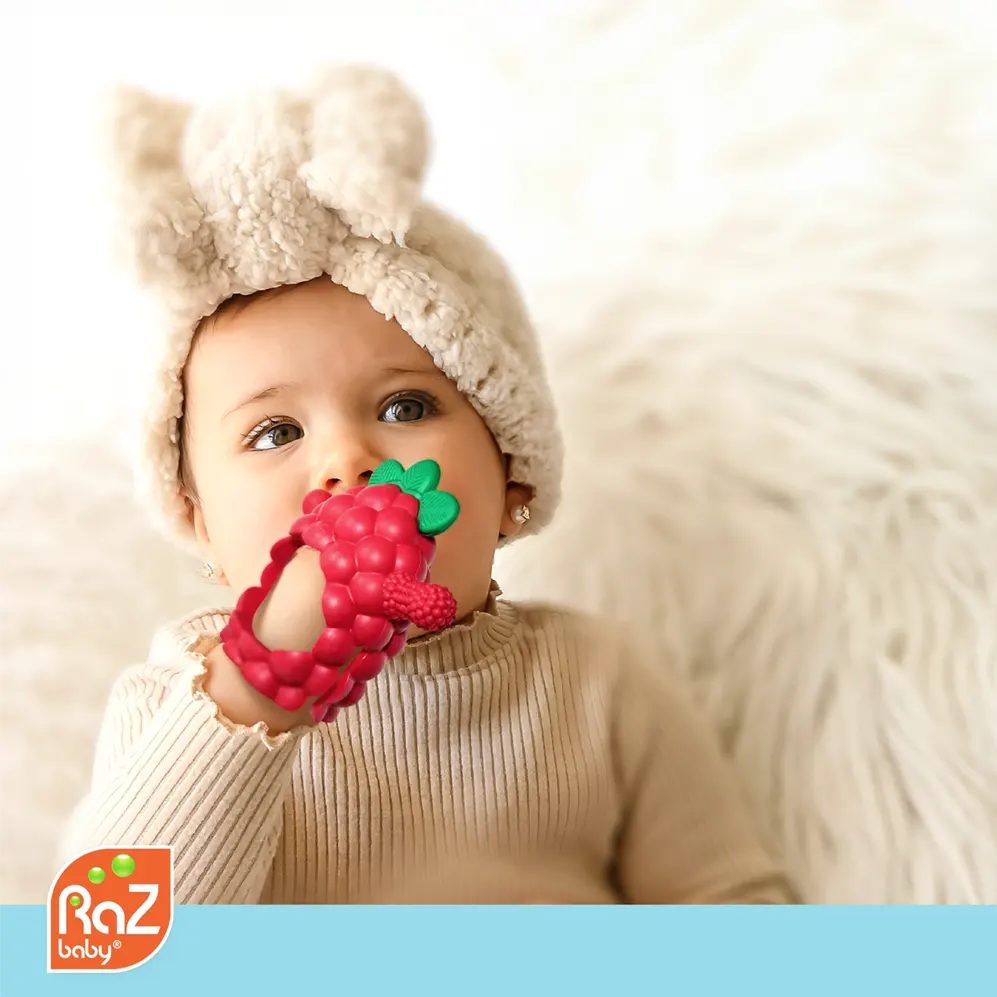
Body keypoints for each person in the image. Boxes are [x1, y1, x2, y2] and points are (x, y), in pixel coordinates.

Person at [59, 65, 794, 904]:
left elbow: (734, 908)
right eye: (274, 432)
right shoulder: (176, 700)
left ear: (513, 473)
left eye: (405, 406)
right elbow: (105, 950)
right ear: (200, 524)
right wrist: (257, 687)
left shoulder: (599, 683)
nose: (346, 460)